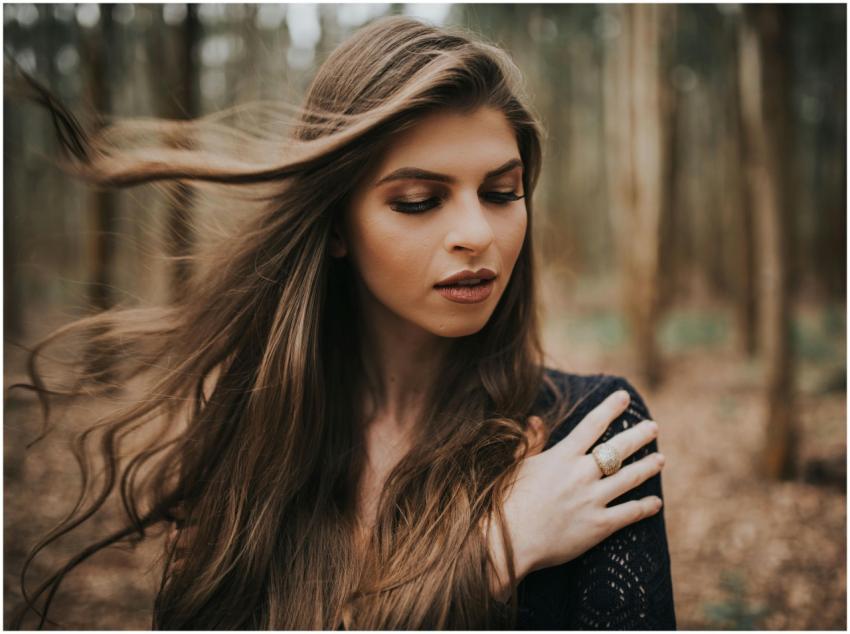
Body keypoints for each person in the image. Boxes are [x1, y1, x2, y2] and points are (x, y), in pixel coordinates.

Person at [9, 15, 675, 630]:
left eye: (502, 193)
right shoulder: (250, 439)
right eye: (418, 201)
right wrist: (487, 559)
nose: (478, 232)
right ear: (336, 227)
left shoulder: (589, 441)